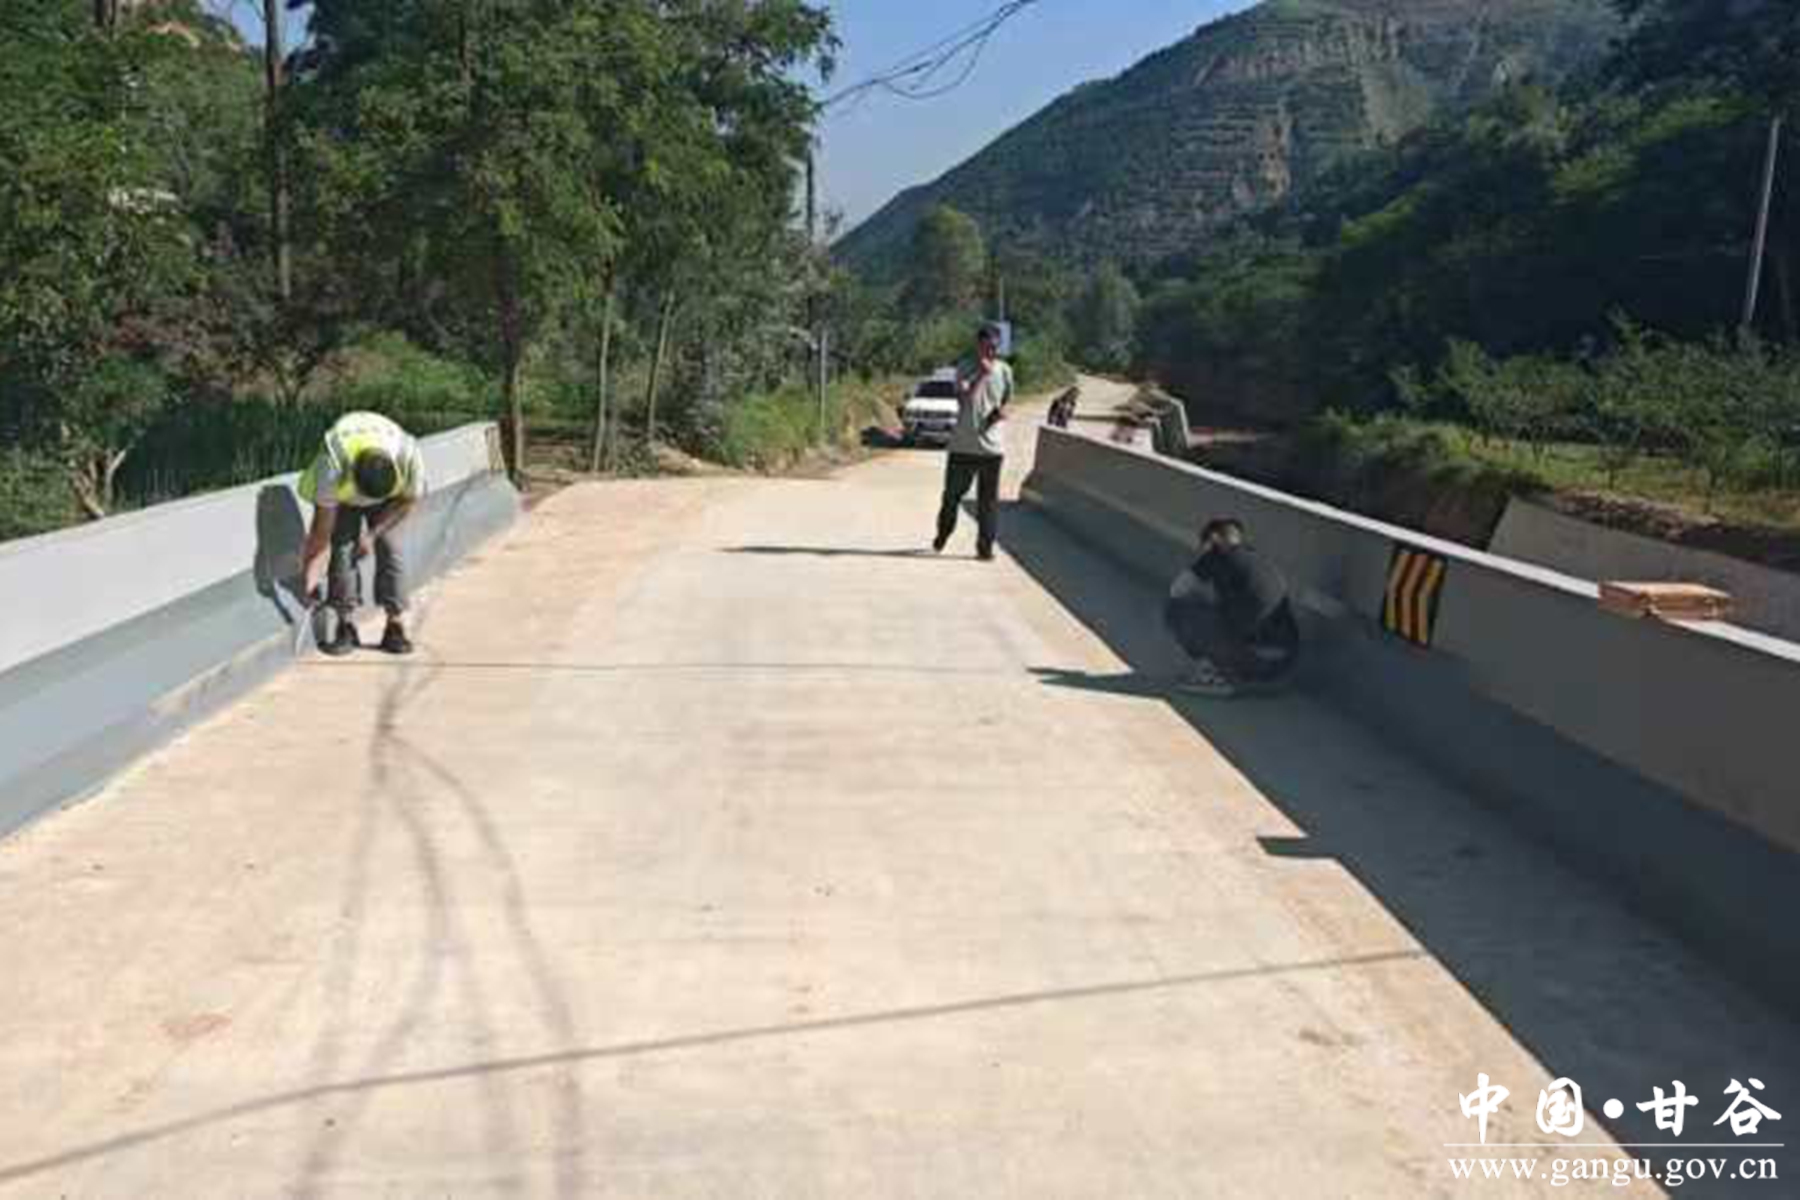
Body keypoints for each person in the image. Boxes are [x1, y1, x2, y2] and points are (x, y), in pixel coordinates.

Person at [297, 411, 428, 657]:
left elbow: (408, 502)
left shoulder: (408, 454)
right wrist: (310, 572)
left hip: (389, 501)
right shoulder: (332, 464)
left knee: (391, 548)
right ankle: (345, 625)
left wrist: (373, 534)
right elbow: (321, 534)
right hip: (344, 498)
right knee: (341, 549)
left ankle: (395, 625)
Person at [1164, 518, 1300, 697]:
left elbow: (1177, 590)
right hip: (1283, 665)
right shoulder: (1258, 559)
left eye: (1203, 544)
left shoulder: (1215, 556)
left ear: (1214, 539)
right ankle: (1248, 677)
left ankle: (1217, 677)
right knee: (1224, 616)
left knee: (1177, 608)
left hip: (1252, 660)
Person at [934, 322, 1014, 560]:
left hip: (992, 449)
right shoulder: (964, 367)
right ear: (977, 345)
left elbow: (1008, 401)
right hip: (963, 446)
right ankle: (943, 533)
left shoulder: (1005, 370)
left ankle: (985, 548)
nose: (991, 352)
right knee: (952, 496)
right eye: (987, 346)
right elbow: (964, 399)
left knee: (988, 502)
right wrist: (981, 373)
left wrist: (1001, 412)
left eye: (995, 347)